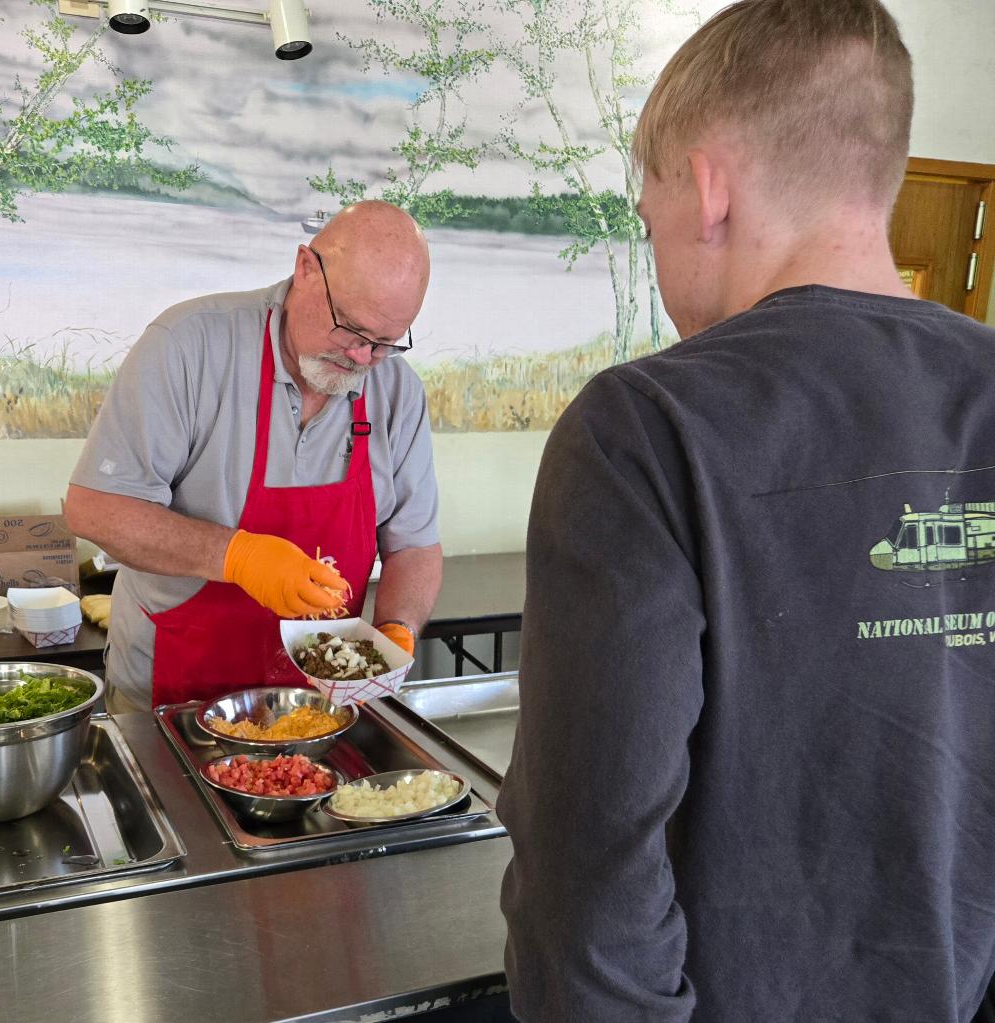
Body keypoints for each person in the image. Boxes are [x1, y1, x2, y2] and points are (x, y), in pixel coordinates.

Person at [498, 1, 995, 1020]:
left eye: (650, 212)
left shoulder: (642, 426)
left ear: (710, 187)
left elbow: (589, 877)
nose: (658, 246)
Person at [65, 201, 442, 712]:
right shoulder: (188, 346)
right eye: (351, 330)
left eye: (385, 344)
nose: (361, 357)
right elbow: (96, 509)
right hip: (172, 700)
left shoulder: (396, 392)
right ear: (306, 269)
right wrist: (237, 556)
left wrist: (398, 628)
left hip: (316, 709)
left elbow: (415, 546)